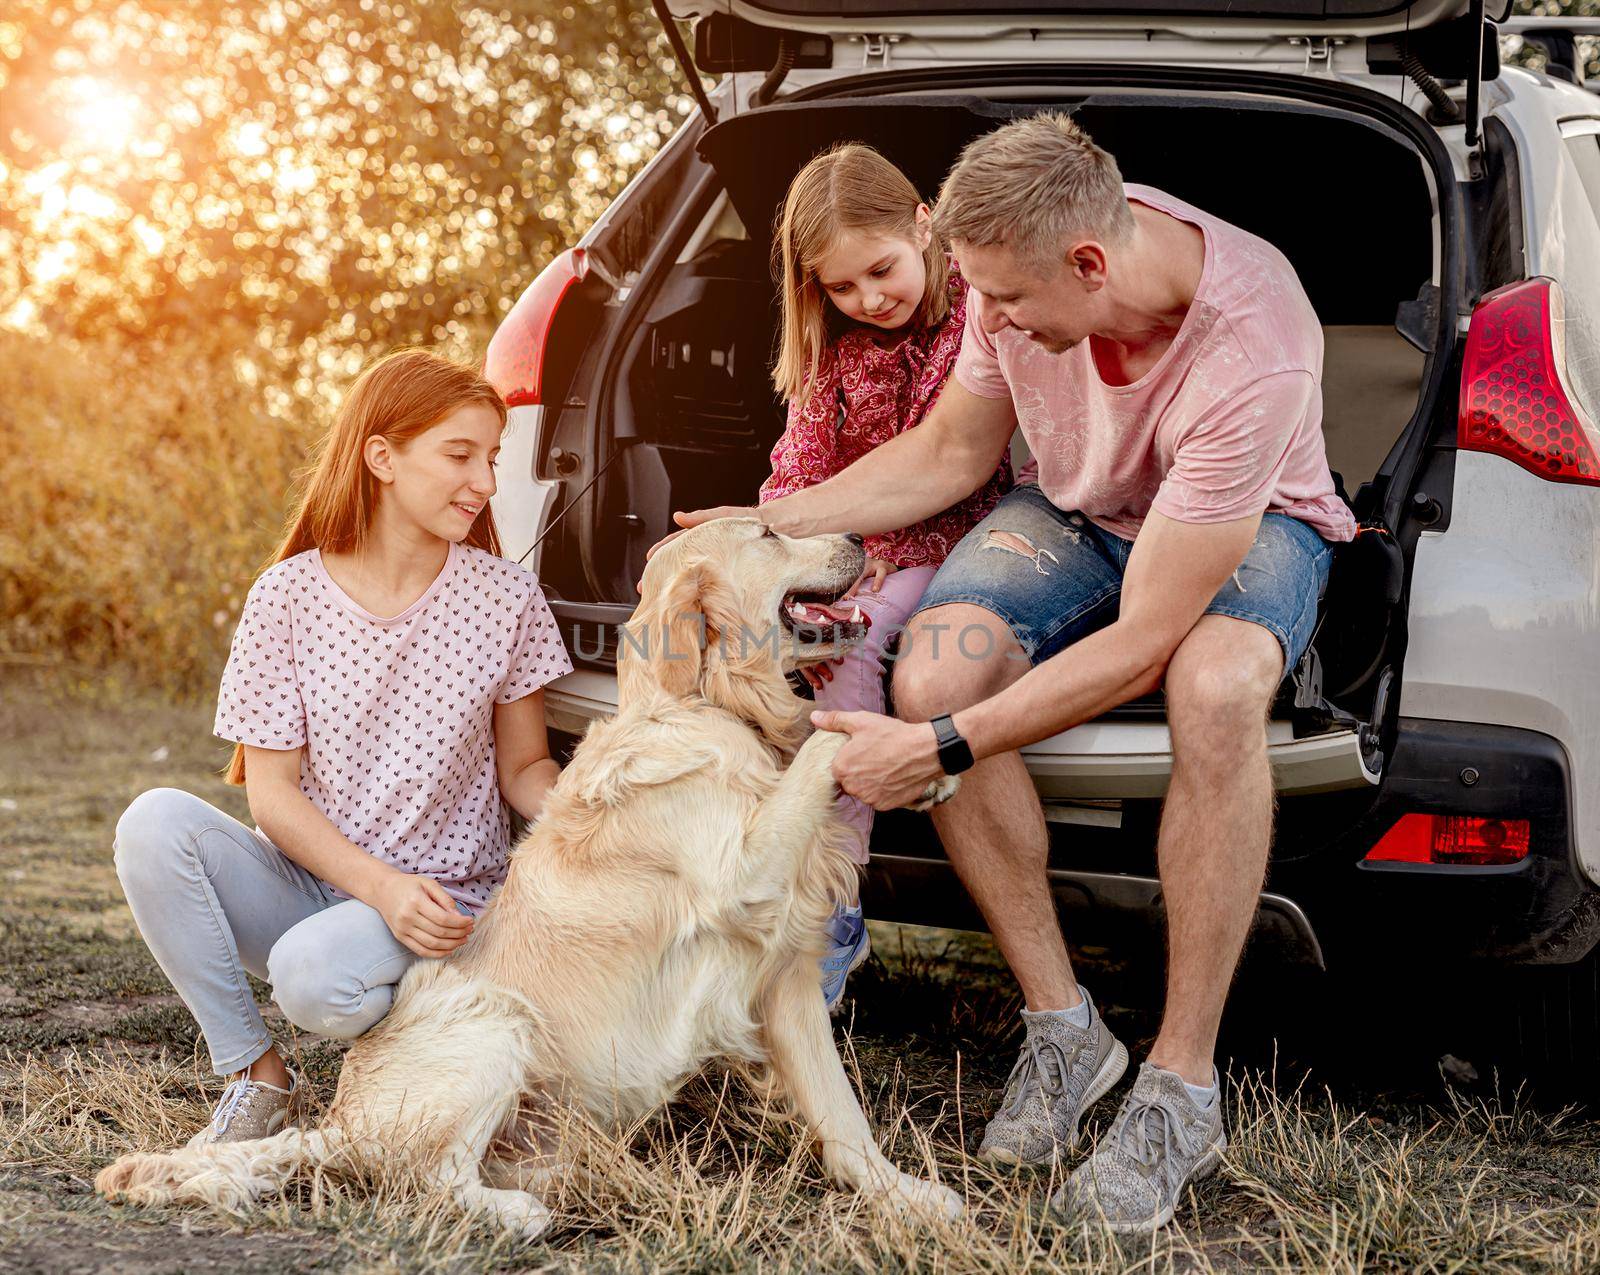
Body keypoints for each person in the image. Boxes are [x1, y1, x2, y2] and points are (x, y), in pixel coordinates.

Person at [662, 112, 1355, 1231]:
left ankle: (1179, 1085)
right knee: (935, 670)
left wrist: (933, 754)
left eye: (1012, 305)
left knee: (1213, 689)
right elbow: (950, 452)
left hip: (1246, 523)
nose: (988, 317)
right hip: (1073, 510)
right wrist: (765, 519)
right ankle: (1064, 1029)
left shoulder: (1250, 345)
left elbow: (1143, 635)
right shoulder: (1008, 272)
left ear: (1089, 265)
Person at [112, 350, 573, 1145]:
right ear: (382, 456)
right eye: (460, 455)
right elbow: (273, 797)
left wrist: (596, 810)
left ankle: (433, 1042)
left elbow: (525, 769)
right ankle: (255, 1073)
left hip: (444, 904)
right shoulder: (285, 595)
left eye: (491, 459)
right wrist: (377, 886)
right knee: (152, 823)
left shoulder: (507, 597)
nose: (485, 484)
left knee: (313, 978)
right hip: (314, 881)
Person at [762, 143, 1011, 1012]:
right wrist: (795, 566)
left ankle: (833, 898)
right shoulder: (835, 353)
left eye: (880, 270)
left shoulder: (979, 320)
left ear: (924, 226)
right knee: (793, 643)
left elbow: (963, 469)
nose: (868, 300)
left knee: (853, 654)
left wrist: (863, 561)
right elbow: (799, 473)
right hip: (851, 551)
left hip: (951, 545)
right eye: (840, 287)